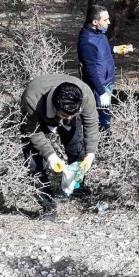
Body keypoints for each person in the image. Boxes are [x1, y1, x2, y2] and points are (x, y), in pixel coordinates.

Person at [20, 74, 100, 221]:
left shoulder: (84, 94)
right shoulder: (32, 98)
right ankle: (48, 206)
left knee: (77, 148)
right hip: (38, 120)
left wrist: (90, 154)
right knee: (34, 163)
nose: (68, 118)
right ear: (56, 107)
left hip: (65, 110)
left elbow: (91, 123)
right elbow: (32, 131)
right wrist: (51, 155)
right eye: (65, 115)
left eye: (73, 114)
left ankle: (77, 186)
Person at [78, 5, 133, 131]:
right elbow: (89, 69)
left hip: (107, 80)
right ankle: (105, 143)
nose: (109, 22)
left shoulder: (99, 32)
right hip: (100, 86)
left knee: (106, 115)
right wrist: (101, 92)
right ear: (95, 22)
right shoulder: (87, 42)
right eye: (106, 19)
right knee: (103, 118)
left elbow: (101, 48)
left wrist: (115, 49)